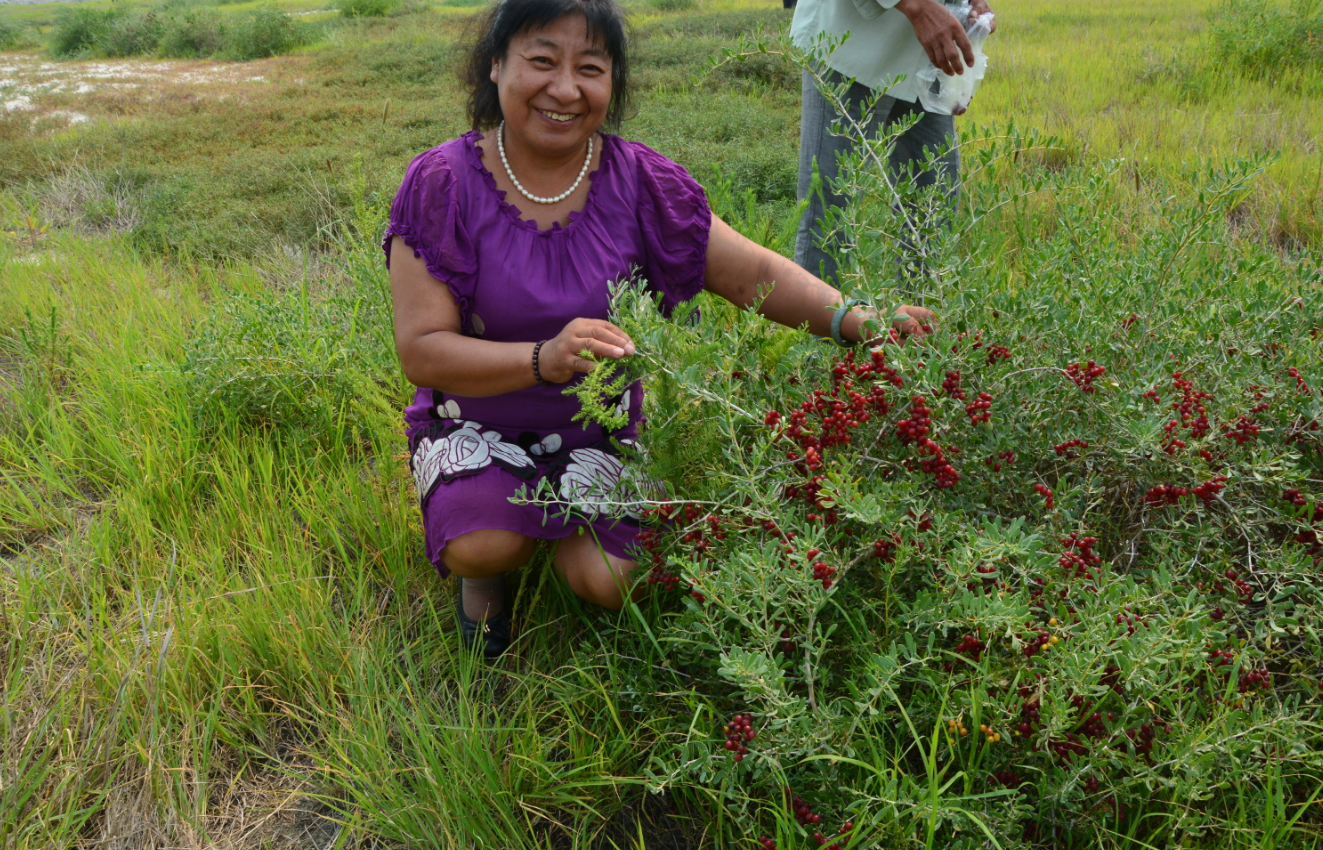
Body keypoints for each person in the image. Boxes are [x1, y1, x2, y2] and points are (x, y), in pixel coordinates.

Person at [384, 0, 934, 658]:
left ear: (611, 84)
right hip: (476, 422)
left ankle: (564, 529)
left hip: (603, 431)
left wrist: (857, 320)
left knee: (616, 580)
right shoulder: (441, 183)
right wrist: (544, 358)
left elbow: (748, 273)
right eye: (540, 60)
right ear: (496, 65)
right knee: (484, 541)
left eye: (590, 67)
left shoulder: (641, 182)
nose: (565, 88)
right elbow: (422, 350)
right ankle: (485, 579)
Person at [791, 0, 995, 282]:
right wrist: (917, 6)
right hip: (853, 39)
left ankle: (922, 323)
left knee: (933, 209)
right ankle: (817, 325)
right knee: (828, 216)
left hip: (928, 53)